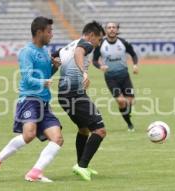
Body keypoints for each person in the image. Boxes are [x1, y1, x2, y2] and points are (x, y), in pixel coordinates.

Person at [0, 16, 63, 183]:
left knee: (57, 138)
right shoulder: (27, 52)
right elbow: (27, 78)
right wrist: (43, 81)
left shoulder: (44, 51)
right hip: (29, 99)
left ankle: (35, 172)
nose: (51, 35)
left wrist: (54, 68)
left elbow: (46, 77)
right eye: (49, 32)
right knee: (28, 135)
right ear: (39, 32)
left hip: (43, 102)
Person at [56, 21, 106, 181]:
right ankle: (82, 165)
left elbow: (53, 59)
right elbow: (79, 53)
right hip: (74, 95)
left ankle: (81, 165)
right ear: (92, 35)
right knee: (100, 130)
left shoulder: (67, 46)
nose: (98, 44)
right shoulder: (85, 44)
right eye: (99, 40)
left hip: (64, 94)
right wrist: (83, 72)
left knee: (84, 129)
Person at [92, 22, 139, 132]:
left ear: (117, 30)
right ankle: (129, 124)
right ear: (106, 30)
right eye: (109, 27)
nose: (112, 29)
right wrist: (100, 66)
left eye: (114, 27)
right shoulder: (101, 44)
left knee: (131, 101)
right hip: (111, 77)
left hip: (124, 76)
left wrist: (135, 65)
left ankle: (127, 114)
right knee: (121, 101)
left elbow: (133, 54)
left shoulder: (123, 42)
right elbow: (94, 60)